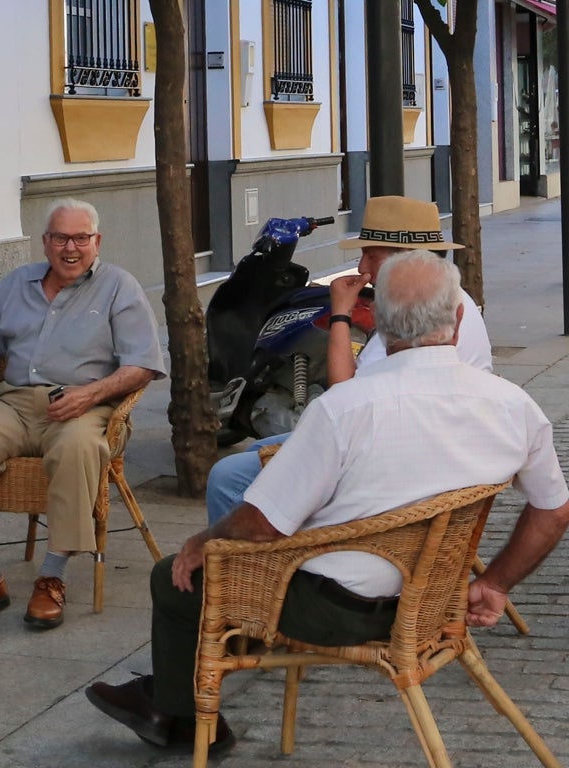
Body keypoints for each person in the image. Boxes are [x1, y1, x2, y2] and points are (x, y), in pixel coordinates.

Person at [85, 250, 569, 757]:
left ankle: (180, 718)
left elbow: (263, 524)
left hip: (339, 611)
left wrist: (202, 541)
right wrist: (494, 584)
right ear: (460, 317)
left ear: (379, 323)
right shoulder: (513, 405)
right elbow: (554, 509)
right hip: (434, 603)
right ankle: (175, 699)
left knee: (174, 576)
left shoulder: (345, 407)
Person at [0, 198, 167, 630]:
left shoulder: (120, 287)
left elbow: (144, 364)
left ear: (97, 242)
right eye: (60, 237)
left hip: (85, 407)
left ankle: (53, 577)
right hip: (17, 403)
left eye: (81, 238)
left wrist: (91, 394)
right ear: (45, 242)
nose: (70, 248)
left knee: (78, 448)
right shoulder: (14, 285)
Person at [205, 196, 494, 525]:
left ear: (407, 261)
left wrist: (340, 312)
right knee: (263, 452)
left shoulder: (412, 312)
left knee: (227, 477)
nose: (361, 268)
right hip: (430, 449)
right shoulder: (452, 299)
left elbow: (343, 399)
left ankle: (240, 568)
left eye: (371, 255)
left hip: (392, 460)